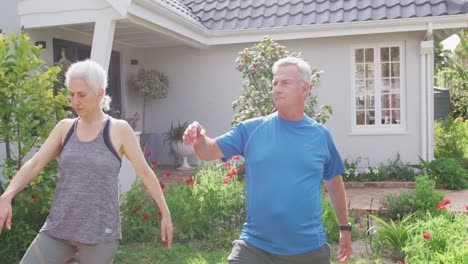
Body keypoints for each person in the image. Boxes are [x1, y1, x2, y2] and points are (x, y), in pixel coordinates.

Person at [0, 59, 173, 263]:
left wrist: (165, 213)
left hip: (99, 234)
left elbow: (145, 172)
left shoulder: (119, 130)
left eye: (81, 95)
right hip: (59, 228)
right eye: (71, 94)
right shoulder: (65, 128)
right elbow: (35, 164)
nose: (75, 101)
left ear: (100, 94)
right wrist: (7, 195)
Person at [183, 57, 351, 263]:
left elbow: (334, 182)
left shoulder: (320, 136)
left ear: (304, 89)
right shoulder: (251, 130)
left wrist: (345, 228)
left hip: (308, 250)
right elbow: (209, 151)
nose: (277, 89)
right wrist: (199, 139)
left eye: (285, 83)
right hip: (256, 246)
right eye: (274, 83)